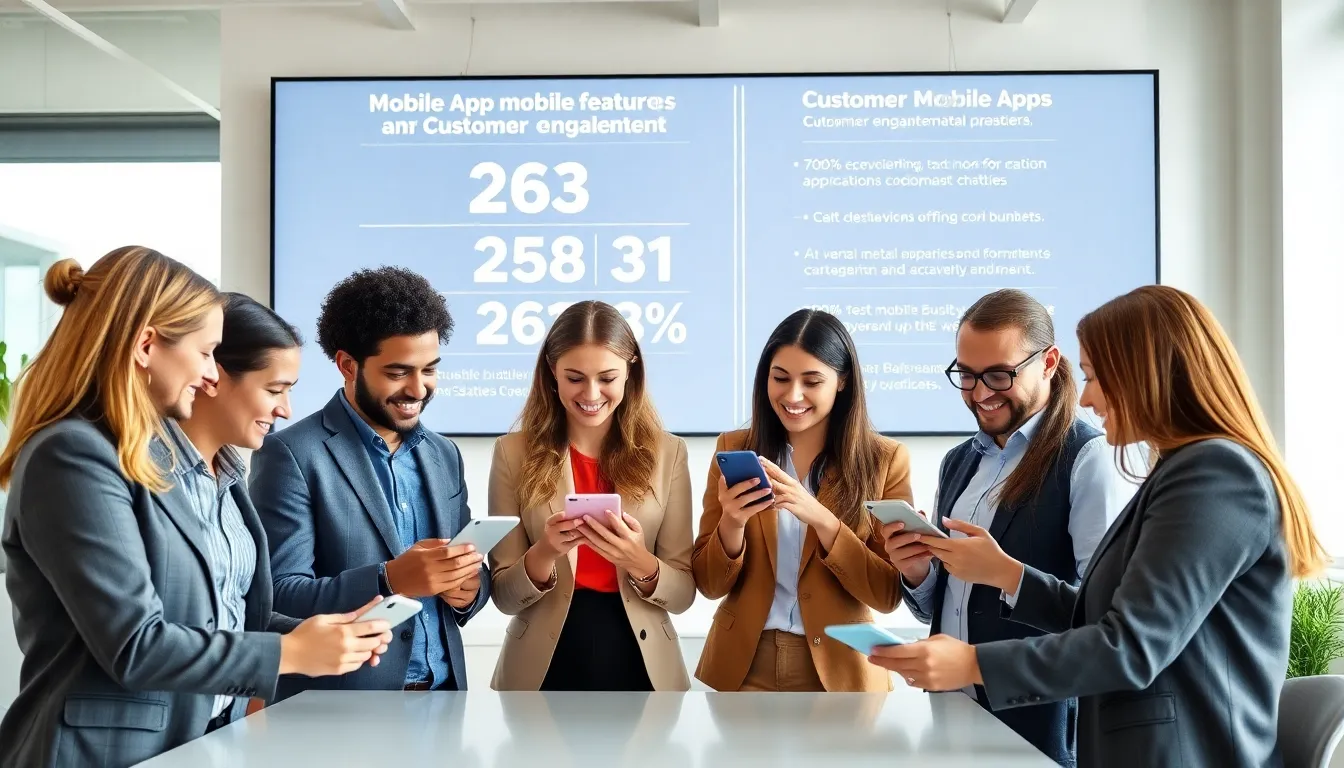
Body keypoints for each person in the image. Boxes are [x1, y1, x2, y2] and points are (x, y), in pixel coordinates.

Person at [868, 285, 1327, 767]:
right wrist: (1008, 575)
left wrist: (973, 662)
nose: (1085, 397)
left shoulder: (1215, 474)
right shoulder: (1184, 471)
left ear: (1147, 374)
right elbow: (1104, 616)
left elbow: (1129, 646)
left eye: (1094, 377)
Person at [0, 248, 392, 768]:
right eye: (207, 352)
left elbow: (219, 618)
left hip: (202, 743)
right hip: (99, 753)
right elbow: (135, 645)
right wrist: (292, 653)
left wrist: (322, 634)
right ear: (146, 345)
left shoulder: (208, 474)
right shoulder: (71, 456)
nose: (211, 373)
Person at [881, 289, 1133, 766]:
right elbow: (946, 605)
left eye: (999, 374)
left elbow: (1103, 614)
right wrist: (919, 572)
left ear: (1049, 362)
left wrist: (1007, 572)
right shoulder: (959, 462)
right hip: (951, 712)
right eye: (967, 375)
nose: (980, 393)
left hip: (1036, 723)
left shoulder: (1087, 458)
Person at [251, 266, 488, 699]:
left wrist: (471, 588)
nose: (419, 388)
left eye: (429, 370)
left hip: (445, 696)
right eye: (398, 372)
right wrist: (389, 579)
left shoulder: (444, 455)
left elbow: (467, 566)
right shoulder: (291, 455)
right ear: (347, 365)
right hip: (340, 706)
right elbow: (276, 598)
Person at [692, 308, 912, 692]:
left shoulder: (884, 460)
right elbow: (709, 585)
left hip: (841, 670)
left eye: (812, 381)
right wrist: (731, 523)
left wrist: (823, 521)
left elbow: (887, 593)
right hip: (744, 665)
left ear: (842, 382)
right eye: (780, 378)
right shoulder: (733, 449)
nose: (792, 396)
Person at [487, 301, 695, 691]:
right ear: (552, 373)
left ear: (630, 371)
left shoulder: (669, 454)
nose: (591, 393)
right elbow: (503, 596)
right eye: (575, 378)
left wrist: (638, 561)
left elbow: (683, 594)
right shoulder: (512, 454)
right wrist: (544, 552)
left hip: (643, 662)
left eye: (607, 377)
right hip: (541, 665)